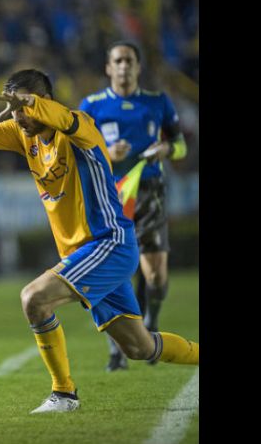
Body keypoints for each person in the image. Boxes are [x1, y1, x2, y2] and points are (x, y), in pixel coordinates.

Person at [0, 69, 198, 414]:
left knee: (35, 299)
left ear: (46, 102)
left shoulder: (80, 128)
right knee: (140, 347)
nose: (19, 117)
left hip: (108, 243)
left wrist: (33, 105)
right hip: (84, 253)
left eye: (25, 107)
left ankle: (64, 394)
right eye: (14, 109)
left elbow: (64, 118)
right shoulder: (22, 135)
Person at [79, 41, 188, 371]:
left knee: (155, 275)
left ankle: (151, 319)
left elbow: (181, 146)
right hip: (110, 195)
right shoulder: (92, 106)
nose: (124, 66)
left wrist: (166, 150)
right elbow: (78, 152)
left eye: (129, 61)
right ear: (108, 68)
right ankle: (116, 347)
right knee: (113, 270)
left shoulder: (157, 102)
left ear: (138, 67)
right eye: (118, 61)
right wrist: (107, 153)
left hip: (150, 192)